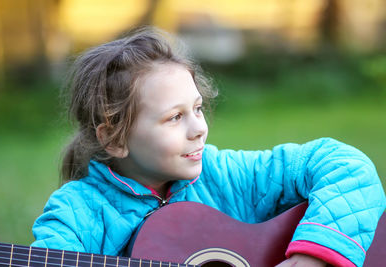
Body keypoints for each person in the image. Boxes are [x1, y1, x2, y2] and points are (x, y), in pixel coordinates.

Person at [31, 27, 386, 267]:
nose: (199, 129)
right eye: (175, 117)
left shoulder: (225, 177)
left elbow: (346, 165)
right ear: (114, 137)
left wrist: (312, 258)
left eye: (197, 109)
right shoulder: (76, 214)